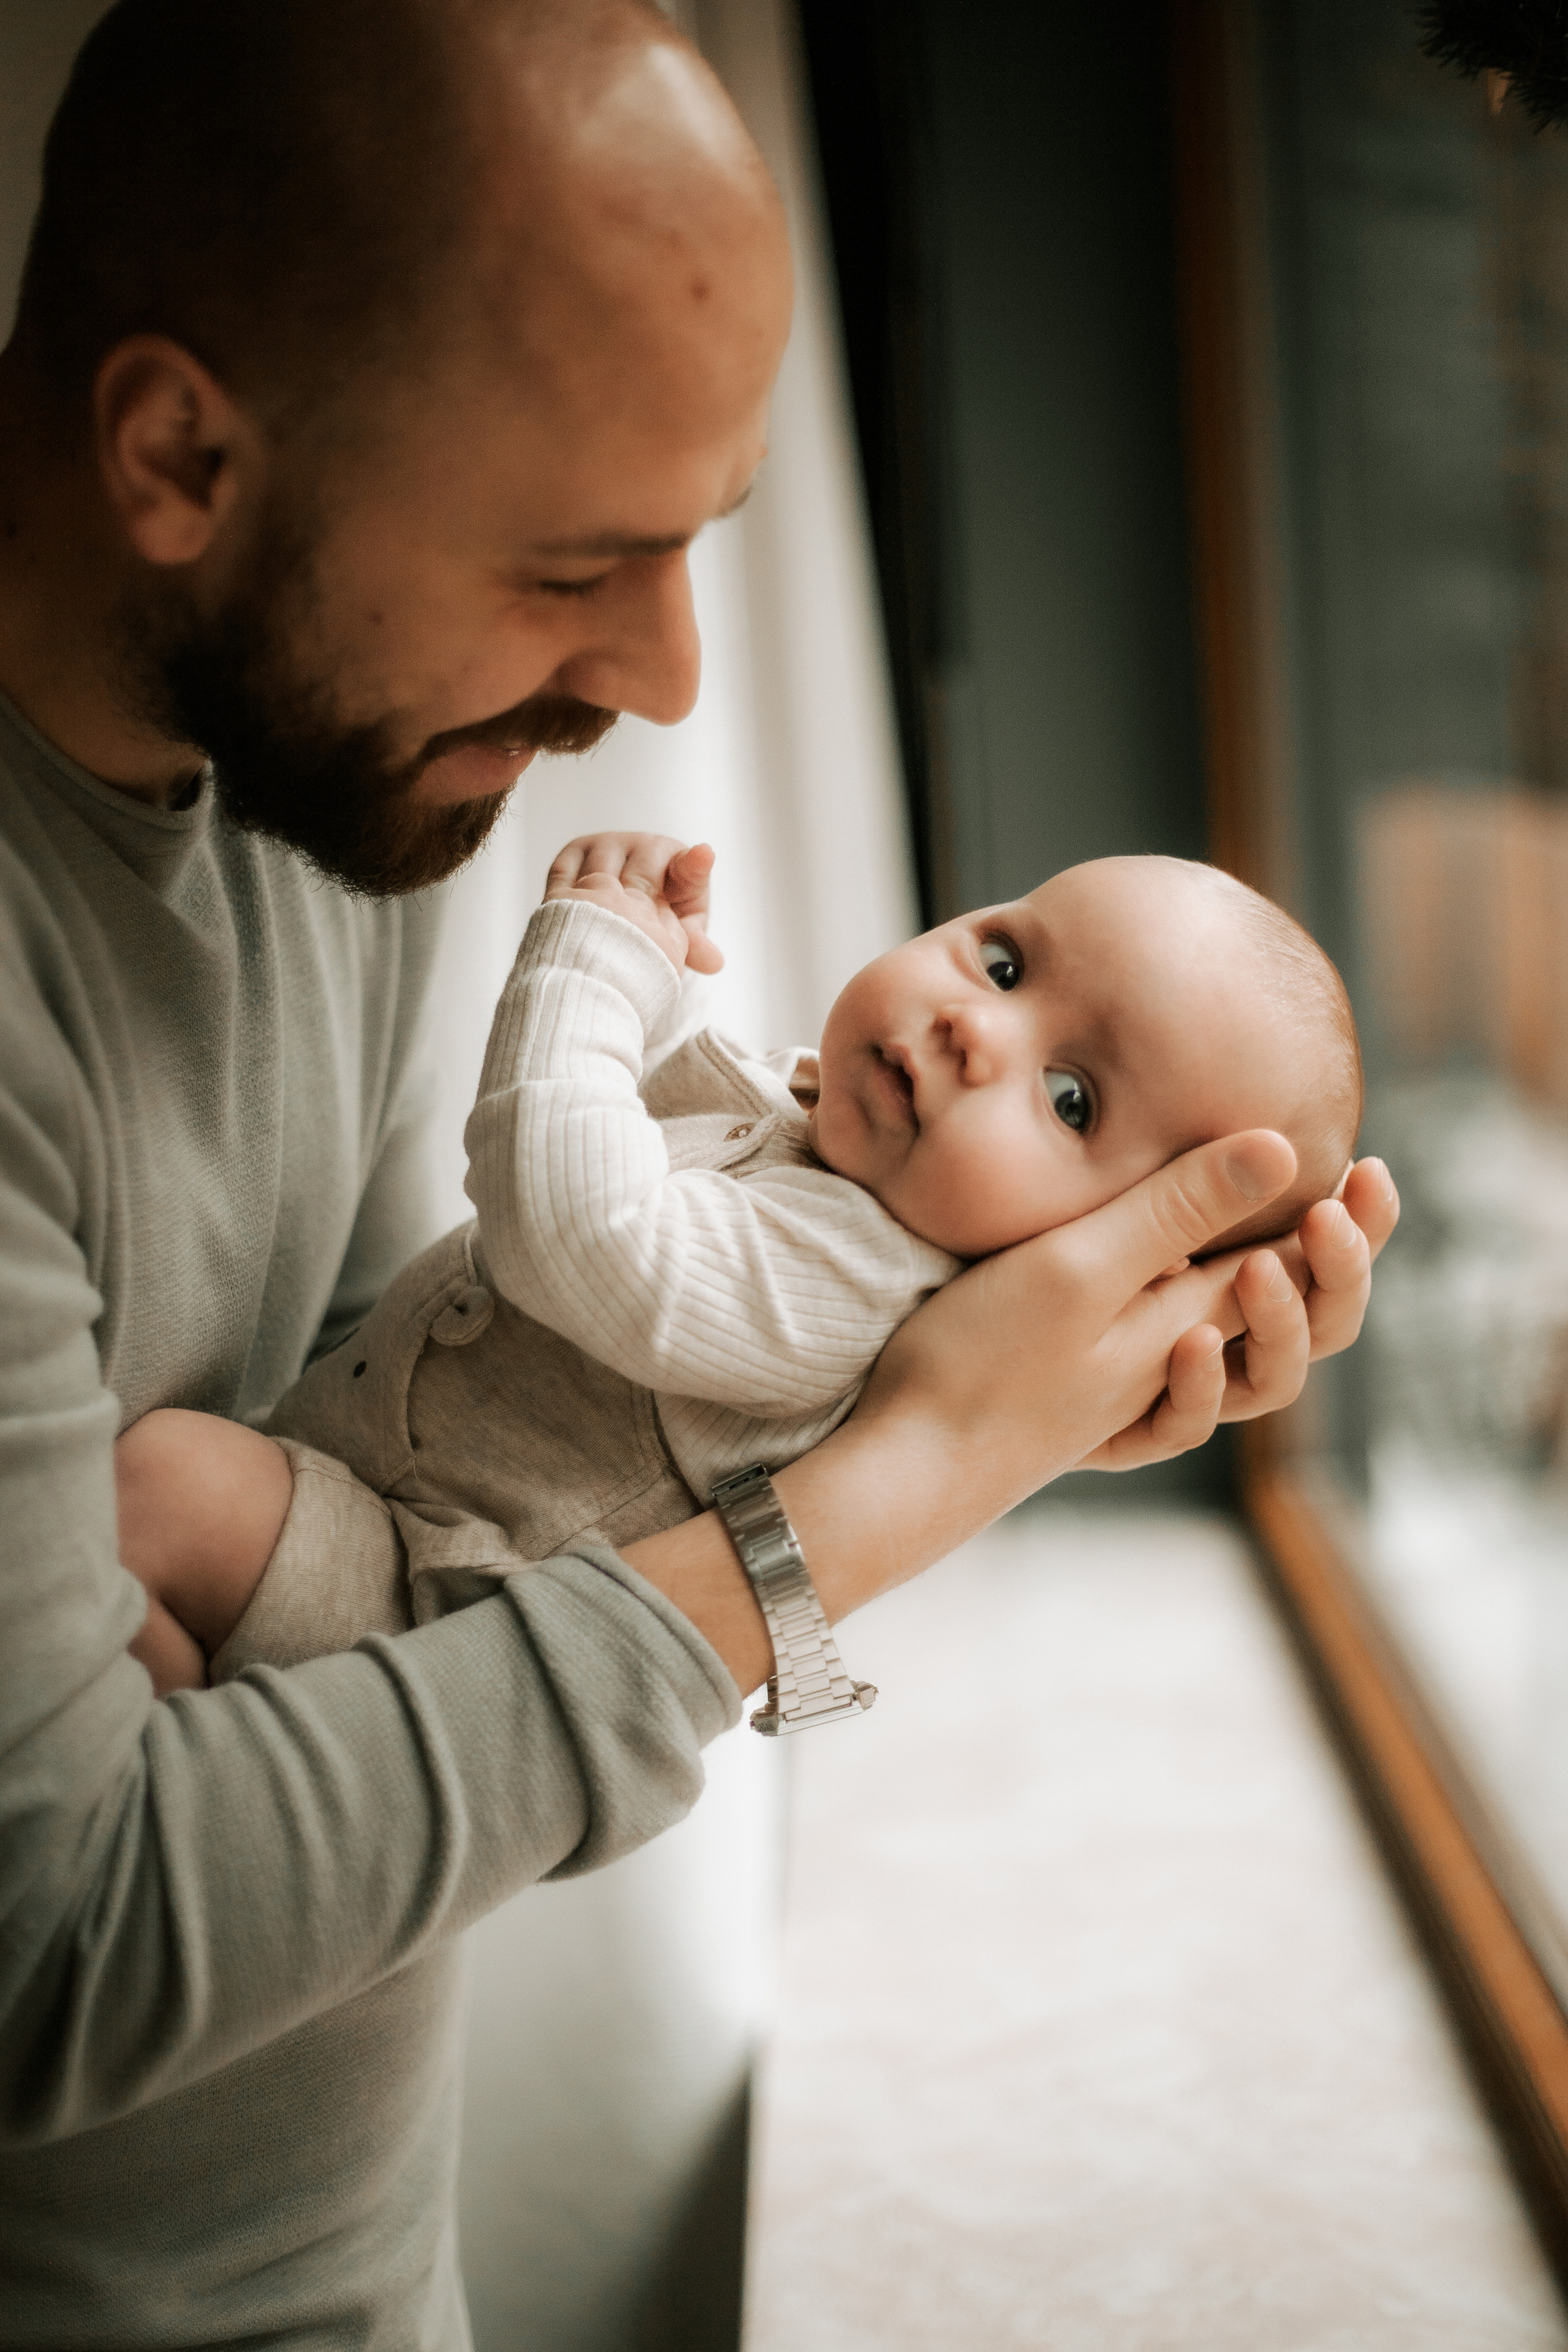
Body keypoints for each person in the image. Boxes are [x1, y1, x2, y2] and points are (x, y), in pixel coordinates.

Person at [0, 1, 1396, 2342]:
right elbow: (63, 1958)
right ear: (178, 452)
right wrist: (911, 1477)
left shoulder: (325, 768)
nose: (656, 678)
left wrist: (969, 1395)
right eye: (578, 561)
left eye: (697, 552)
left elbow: (439, 1504)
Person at [117, 834, 1365, 1698]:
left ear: (1110, 1261)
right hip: (367, 1486)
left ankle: (151, 1787)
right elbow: (643, 1165)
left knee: (158, 1491)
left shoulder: (859, 1283)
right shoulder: (833, 1140)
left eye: (1071, 1097)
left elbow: (582, 1234)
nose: (973, 1028)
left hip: (426, 1601)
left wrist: (595, 963)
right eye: (1002, 960)